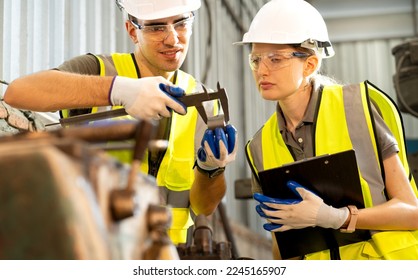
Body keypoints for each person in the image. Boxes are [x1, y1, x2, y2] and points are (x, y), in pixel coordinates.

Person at [3, 0, 237, 246]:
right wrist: (117, 89)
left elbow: (205, 206)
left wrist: (212, 169)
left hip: (165, 256)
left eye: (181, 23)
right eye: (157, 27)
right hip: (93, 251)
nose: (172, 39)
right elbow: (18, 93)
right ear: (132, 30)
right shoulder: (99, 70)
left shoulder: (207, 103)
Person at [235, 0, 418, 260]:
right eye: (256, 59)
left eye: (275, 59)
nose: (261, 70)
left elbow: (412, 211)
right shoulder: (259, 147)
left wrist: (338, 217)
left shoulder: (357, 108)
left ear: (310, 65)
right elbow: (282, 246)